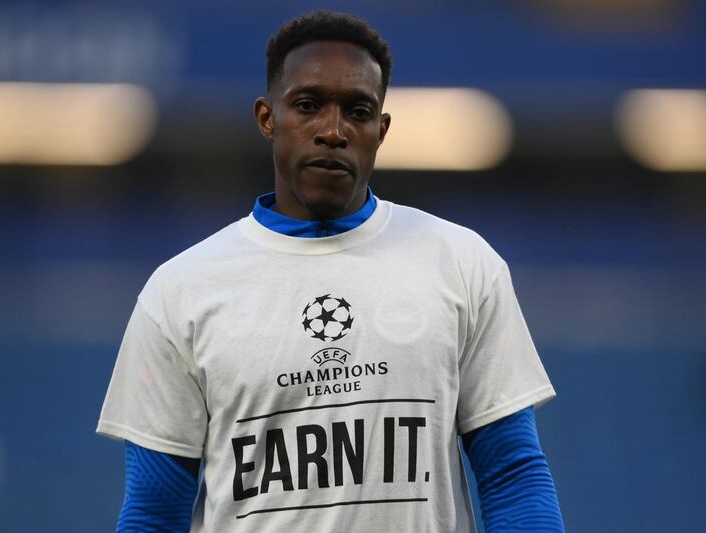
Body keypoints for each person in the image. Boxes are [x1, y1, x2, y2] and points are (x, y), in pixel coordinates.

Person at [97, 10, 565, 532]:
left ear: (381, 130)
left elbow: (512, 474)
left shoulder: (460, 263)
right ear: (267, 117)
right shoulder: (181, 291)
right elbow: (154, 511)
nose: (332, 131)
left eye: (358, 111)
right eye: (308, 105)